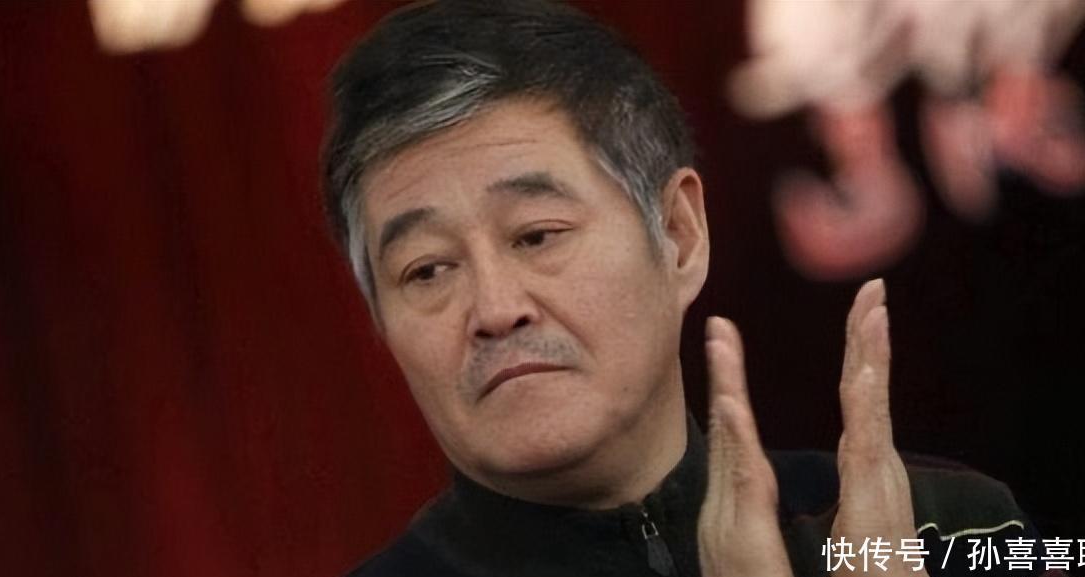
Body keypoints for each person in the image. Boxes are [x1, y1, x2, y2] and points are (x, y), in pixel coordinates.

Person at [321, 2, 1047, 576]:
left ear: (679, 234)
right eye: (426, 270)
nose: (494, 309)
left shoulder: (947, 530)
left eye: (536, 234)